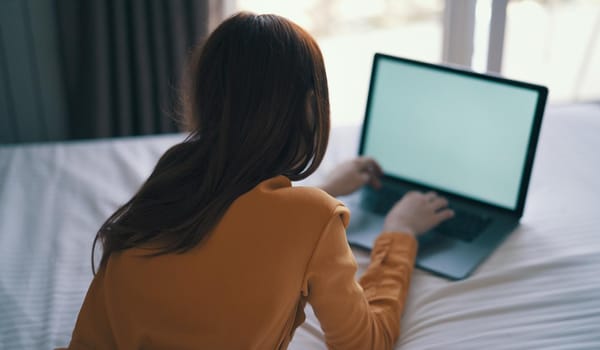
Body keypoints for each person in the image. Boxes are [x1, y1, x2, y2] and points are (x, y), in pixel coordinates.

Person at [66, 12, 454, 350]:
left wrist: (323, 191)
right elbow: (364, 343)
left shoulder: (169, 181)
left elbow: (242, 228)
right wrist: (399, 231)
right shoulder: (313, 219)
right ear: (308, 108)